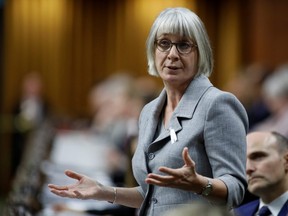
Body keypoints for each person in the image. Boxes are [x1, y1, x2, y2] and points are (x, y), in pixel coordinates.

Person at [48, 7, 248, 216]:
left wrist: (200, 184)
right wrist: (103, 191)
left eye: (184, 45)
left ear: (201, 52)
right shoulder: (149, 112)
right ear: (153, 50)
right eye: (164, 43)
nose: (172, 54)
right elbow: (154, 195)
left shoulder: (217, 104)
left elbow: (236, 190)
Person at [234, 131, 288, 216]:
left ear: (286, 161)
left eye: (257, 157)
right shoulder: (237, 213)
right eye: (242, 161)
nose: (248, 169)